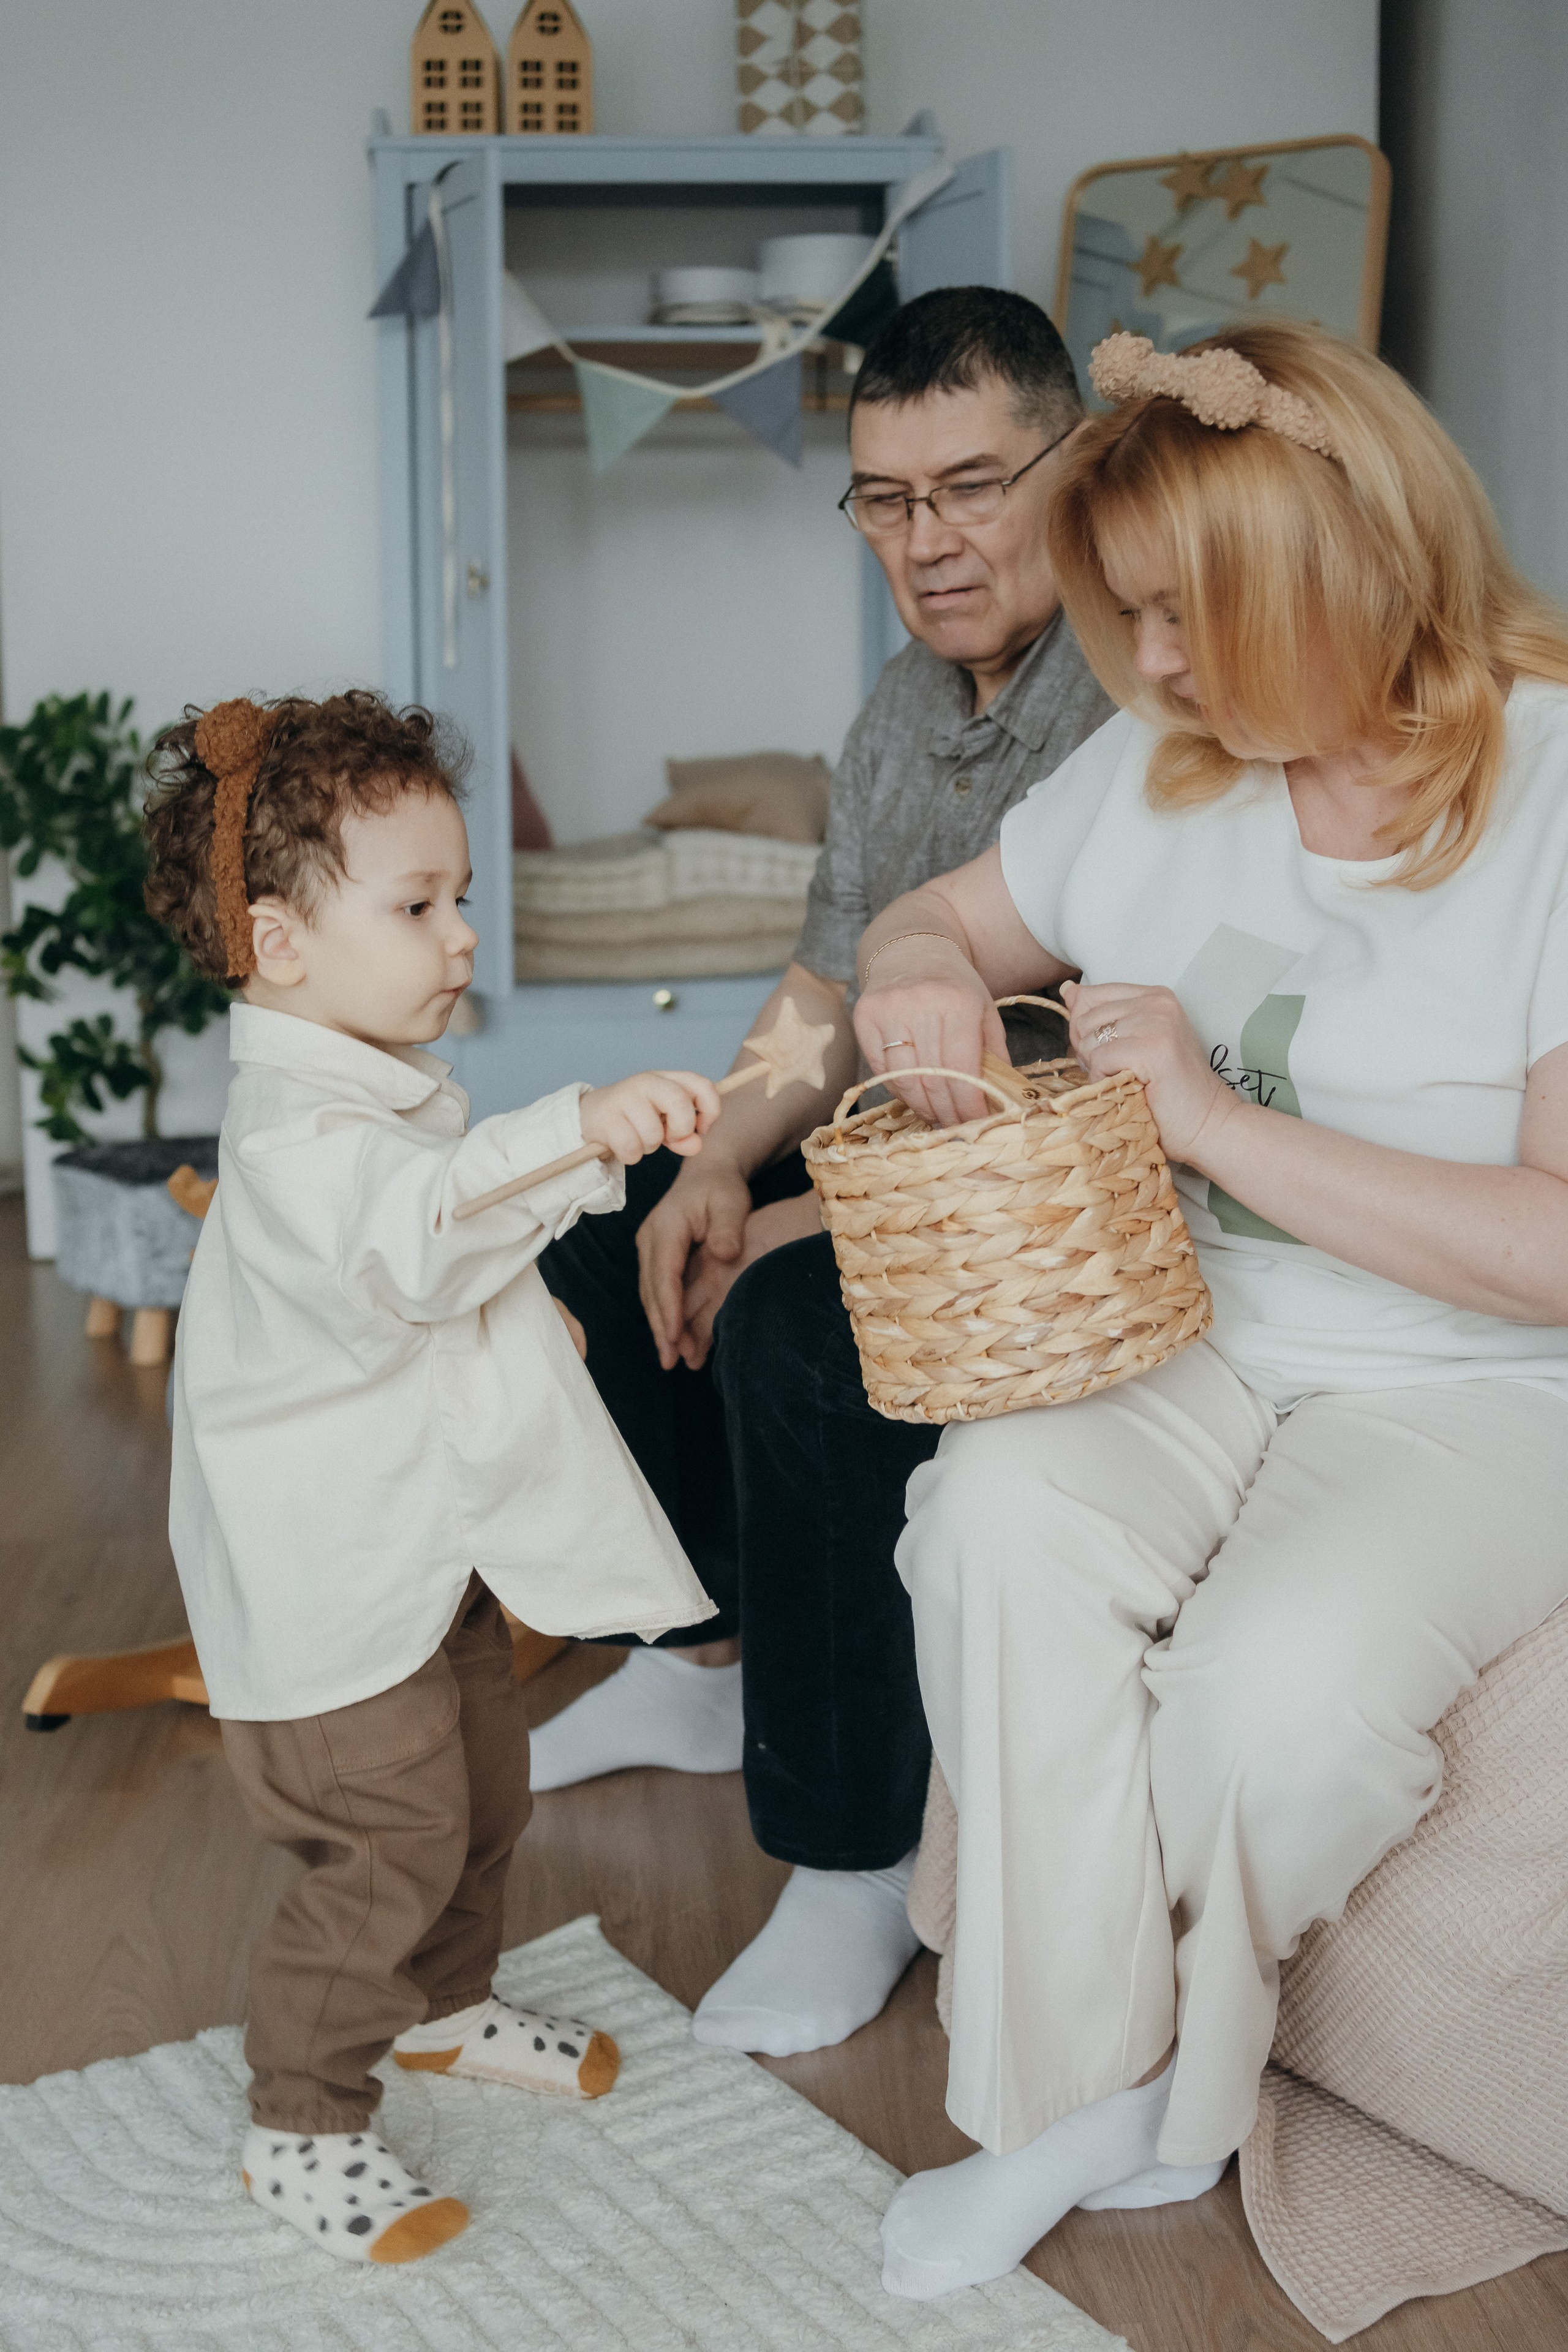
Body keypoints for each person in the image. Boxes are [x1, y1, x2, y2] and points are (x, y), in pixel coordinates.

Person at [846, 322, 1568, 2300]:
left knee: (1276, 1706)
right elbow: (945, 918)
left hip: (1482, 1384)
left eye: (1185, 617)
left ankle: (1183, 2098)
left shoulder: (1555, 789)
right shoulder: (1171, 767)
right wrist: (912, 973)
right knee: (991, 1517)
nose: (1147, 665)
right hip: (1201, 1329)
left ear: (1340, 568)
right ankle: (1065, 2097)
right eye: (1128, 614)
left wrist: (1212, 1120)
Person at [535, 287, 1114, 2058]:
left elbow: (1095, 1072)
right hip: (878, 1165)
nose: (926, 544)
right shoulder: (892, 711)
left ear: (1073, 466)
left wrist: (804, 1211)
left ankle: (856, 1853)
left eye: (969, 487)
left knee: (792, 1318)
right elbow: (822, 986)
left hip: (1051, 1206)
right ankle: (704, 1661)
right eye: (883, 498)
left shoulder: (1133, 695)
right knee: (598, 1231)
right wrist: (718, 1156)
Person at [143, 692, 719, 2264]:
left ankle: (444, 2006)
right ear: (280, 946)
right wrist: (584, 1125)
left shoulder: (376, 1090)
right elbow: (412, 1241)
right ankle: (302, 2123)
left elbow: (438, 1283)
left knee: (484, 1787)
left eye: (458, 897)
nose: (460, 937)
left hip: (426, 1551)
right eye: (417, 906)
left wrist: (532, 1335)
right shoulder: (294, 1142)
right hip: (332, 1583)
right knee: (385, 1839)